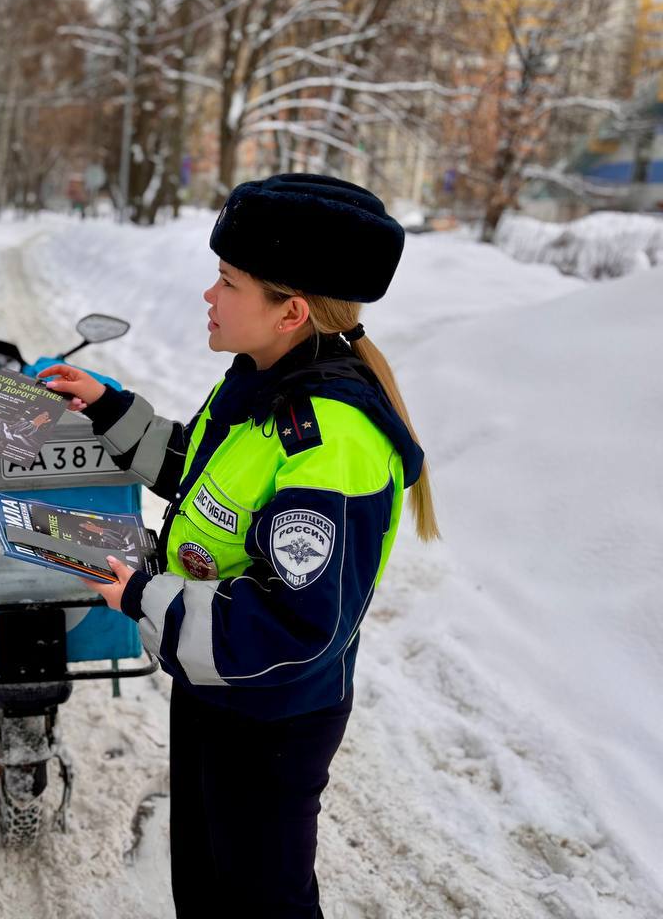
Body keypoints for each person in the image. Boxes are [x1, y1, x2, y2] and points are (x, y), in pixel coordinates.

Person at [40, 173, 438, 918]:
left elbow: (296, 625)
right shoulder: (260, 383)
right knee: (204, 883)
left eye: (228, 281)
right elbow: (204, 481)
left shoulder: (330, 441)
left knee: (258, 901)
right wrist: (109, 409)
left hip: (271, 719)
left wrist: (141, 594)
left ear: (290, 311)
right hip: (216, 689)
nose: (209, 295)